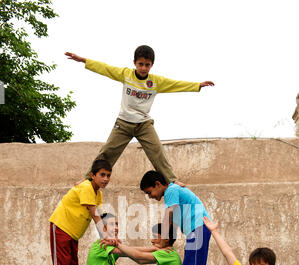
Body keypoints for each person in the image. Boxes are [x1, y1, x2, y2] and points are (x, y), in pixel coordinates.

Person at [65, 45, 214, 185]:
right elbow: (105, 68)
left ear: (152, 65)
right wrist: (83, 60)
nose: (143, 68)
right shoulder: (126, 75)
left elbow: (176, 84)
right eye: (140, 64)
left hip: (144, 124)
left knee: (157, 152)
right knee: (107, 152)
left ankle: (172, 181)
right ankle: (87, 180)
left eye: (147, 65)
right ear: (134, 63)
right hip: (123, 123)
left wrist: (197, 85)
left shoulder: (156, 82)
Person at [140, 170, 211, 265]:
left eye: (149, 192)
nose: (150, 196)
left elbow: (169, 215)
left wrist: (161, 243)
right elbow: (173, 221)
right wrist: (164, 241)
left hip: (199, 228)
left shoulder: (171, 190)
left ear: (158, 184)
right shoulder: (173, 191)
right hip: (195, 230)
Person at [49, 159, 112, 265]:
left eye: (109, 175)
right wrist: (106, 238)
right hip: (61, 227)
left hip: (73, 234)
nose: (106, 179)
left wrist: (110, 235)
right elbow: (95, 215)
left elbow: (102, 216)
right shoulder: (86, 187)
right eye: (102, 175)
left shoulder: (98, 194)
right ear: (92, 175)